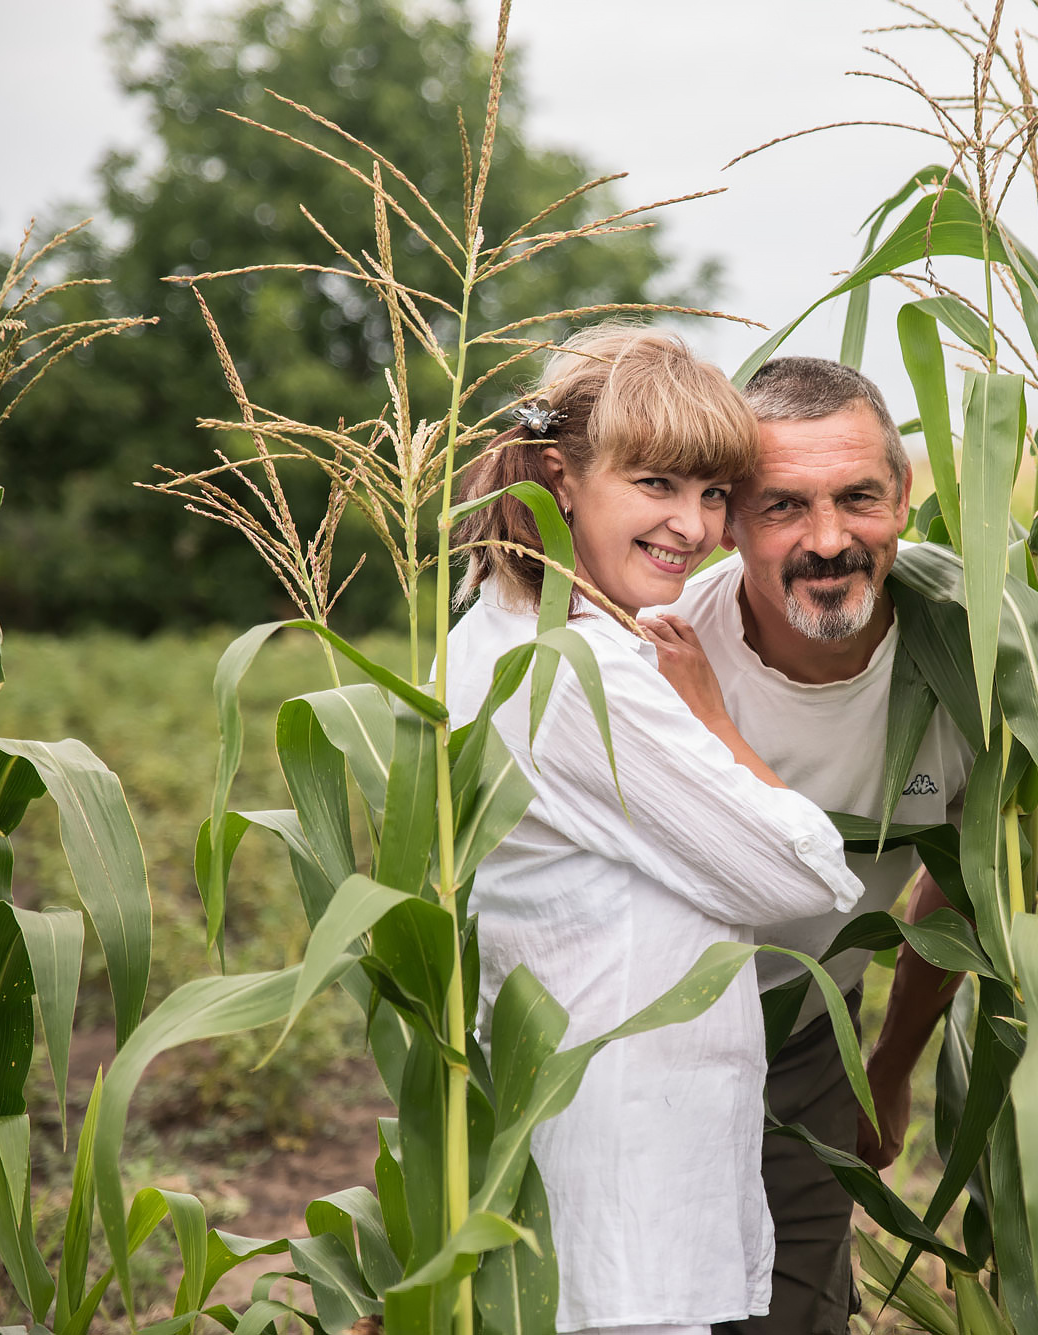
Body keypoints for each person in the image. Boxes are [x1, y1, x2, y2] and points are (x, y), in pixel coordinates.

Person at [444, 327, 866, 1335]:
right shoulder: (578, 674)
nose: (692, 525)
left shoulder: (497, 627)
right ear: (559, 477)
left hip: (591, 1147)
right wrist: (716, 719)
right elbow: (800, 878)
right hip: (621, 1175)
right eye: (655, 485)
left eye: (713, 493)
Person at [644, 357, 975, 1335]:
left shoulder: (976, 658)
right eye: (783, 506)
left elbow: (957, 882)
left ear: (904, 499)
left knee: (795, 1315)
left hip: (807, 1051)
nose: (828, 541)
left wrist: (891, 1062)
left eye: (858, 498)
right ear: (727, 519)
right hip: (648, 1047)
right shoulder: (656, 652)